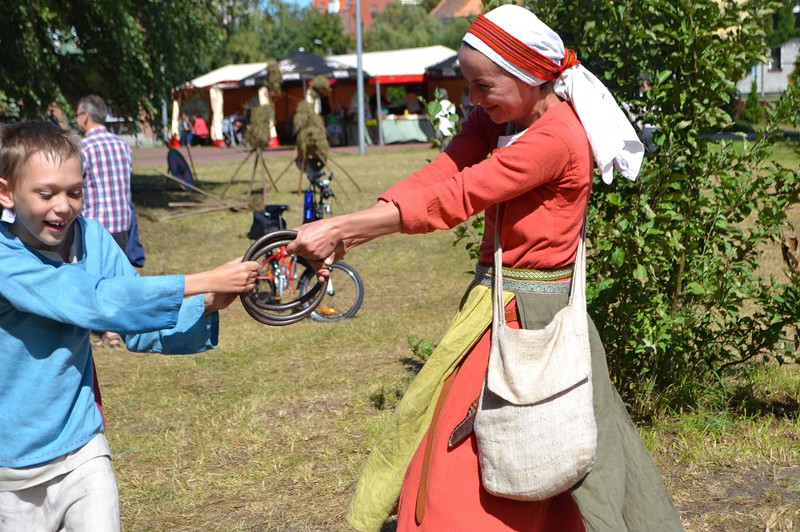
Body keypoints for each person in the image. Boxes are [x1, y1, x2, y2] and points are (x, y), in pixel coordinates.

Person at [288, 5, 682, 531]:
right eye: (468, 85)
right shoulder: (502, 116)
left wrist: (347, 230)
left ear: (528, 76)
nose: (472, 99)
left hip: (533, 317)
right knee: (510, 443)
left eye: (483, 86)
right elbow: (444, 171)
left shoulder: (557, 138)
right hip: (496, 307)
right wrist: (352, 224)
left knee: (512, 448)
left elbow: (462, 194)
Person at [0, 120, 260, 531]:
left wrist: (208, 304)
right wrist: (203, 280)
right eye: (46, 193)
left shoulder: (92, 238)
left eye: (75, 192)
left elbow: (137, 325)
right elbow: (94, 300)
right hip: (8, 474)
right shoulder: (4, 258)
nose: (63, 207)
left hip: (81, 449)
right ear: (6, 192)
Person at [76, 95, 137, 348]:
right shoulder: (122, 145)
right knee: (115, 273)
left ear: (85, 117)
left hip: (97, 220)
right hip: (122, 218)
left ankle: (109, 331)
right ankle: (116, 325)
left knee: (98, 278)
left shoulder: (84, 149)